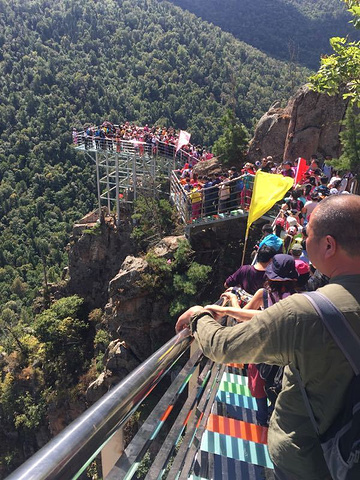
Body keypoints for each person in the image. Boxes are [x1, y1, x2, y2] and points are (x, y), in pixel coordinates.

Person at [175, 194, 360, 480]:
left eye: (308, 233)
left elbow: (225, 347)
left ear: (328, 245)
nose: (303, 241)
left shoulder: (307, 312)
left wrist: (199, 316)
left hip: (308, 462)